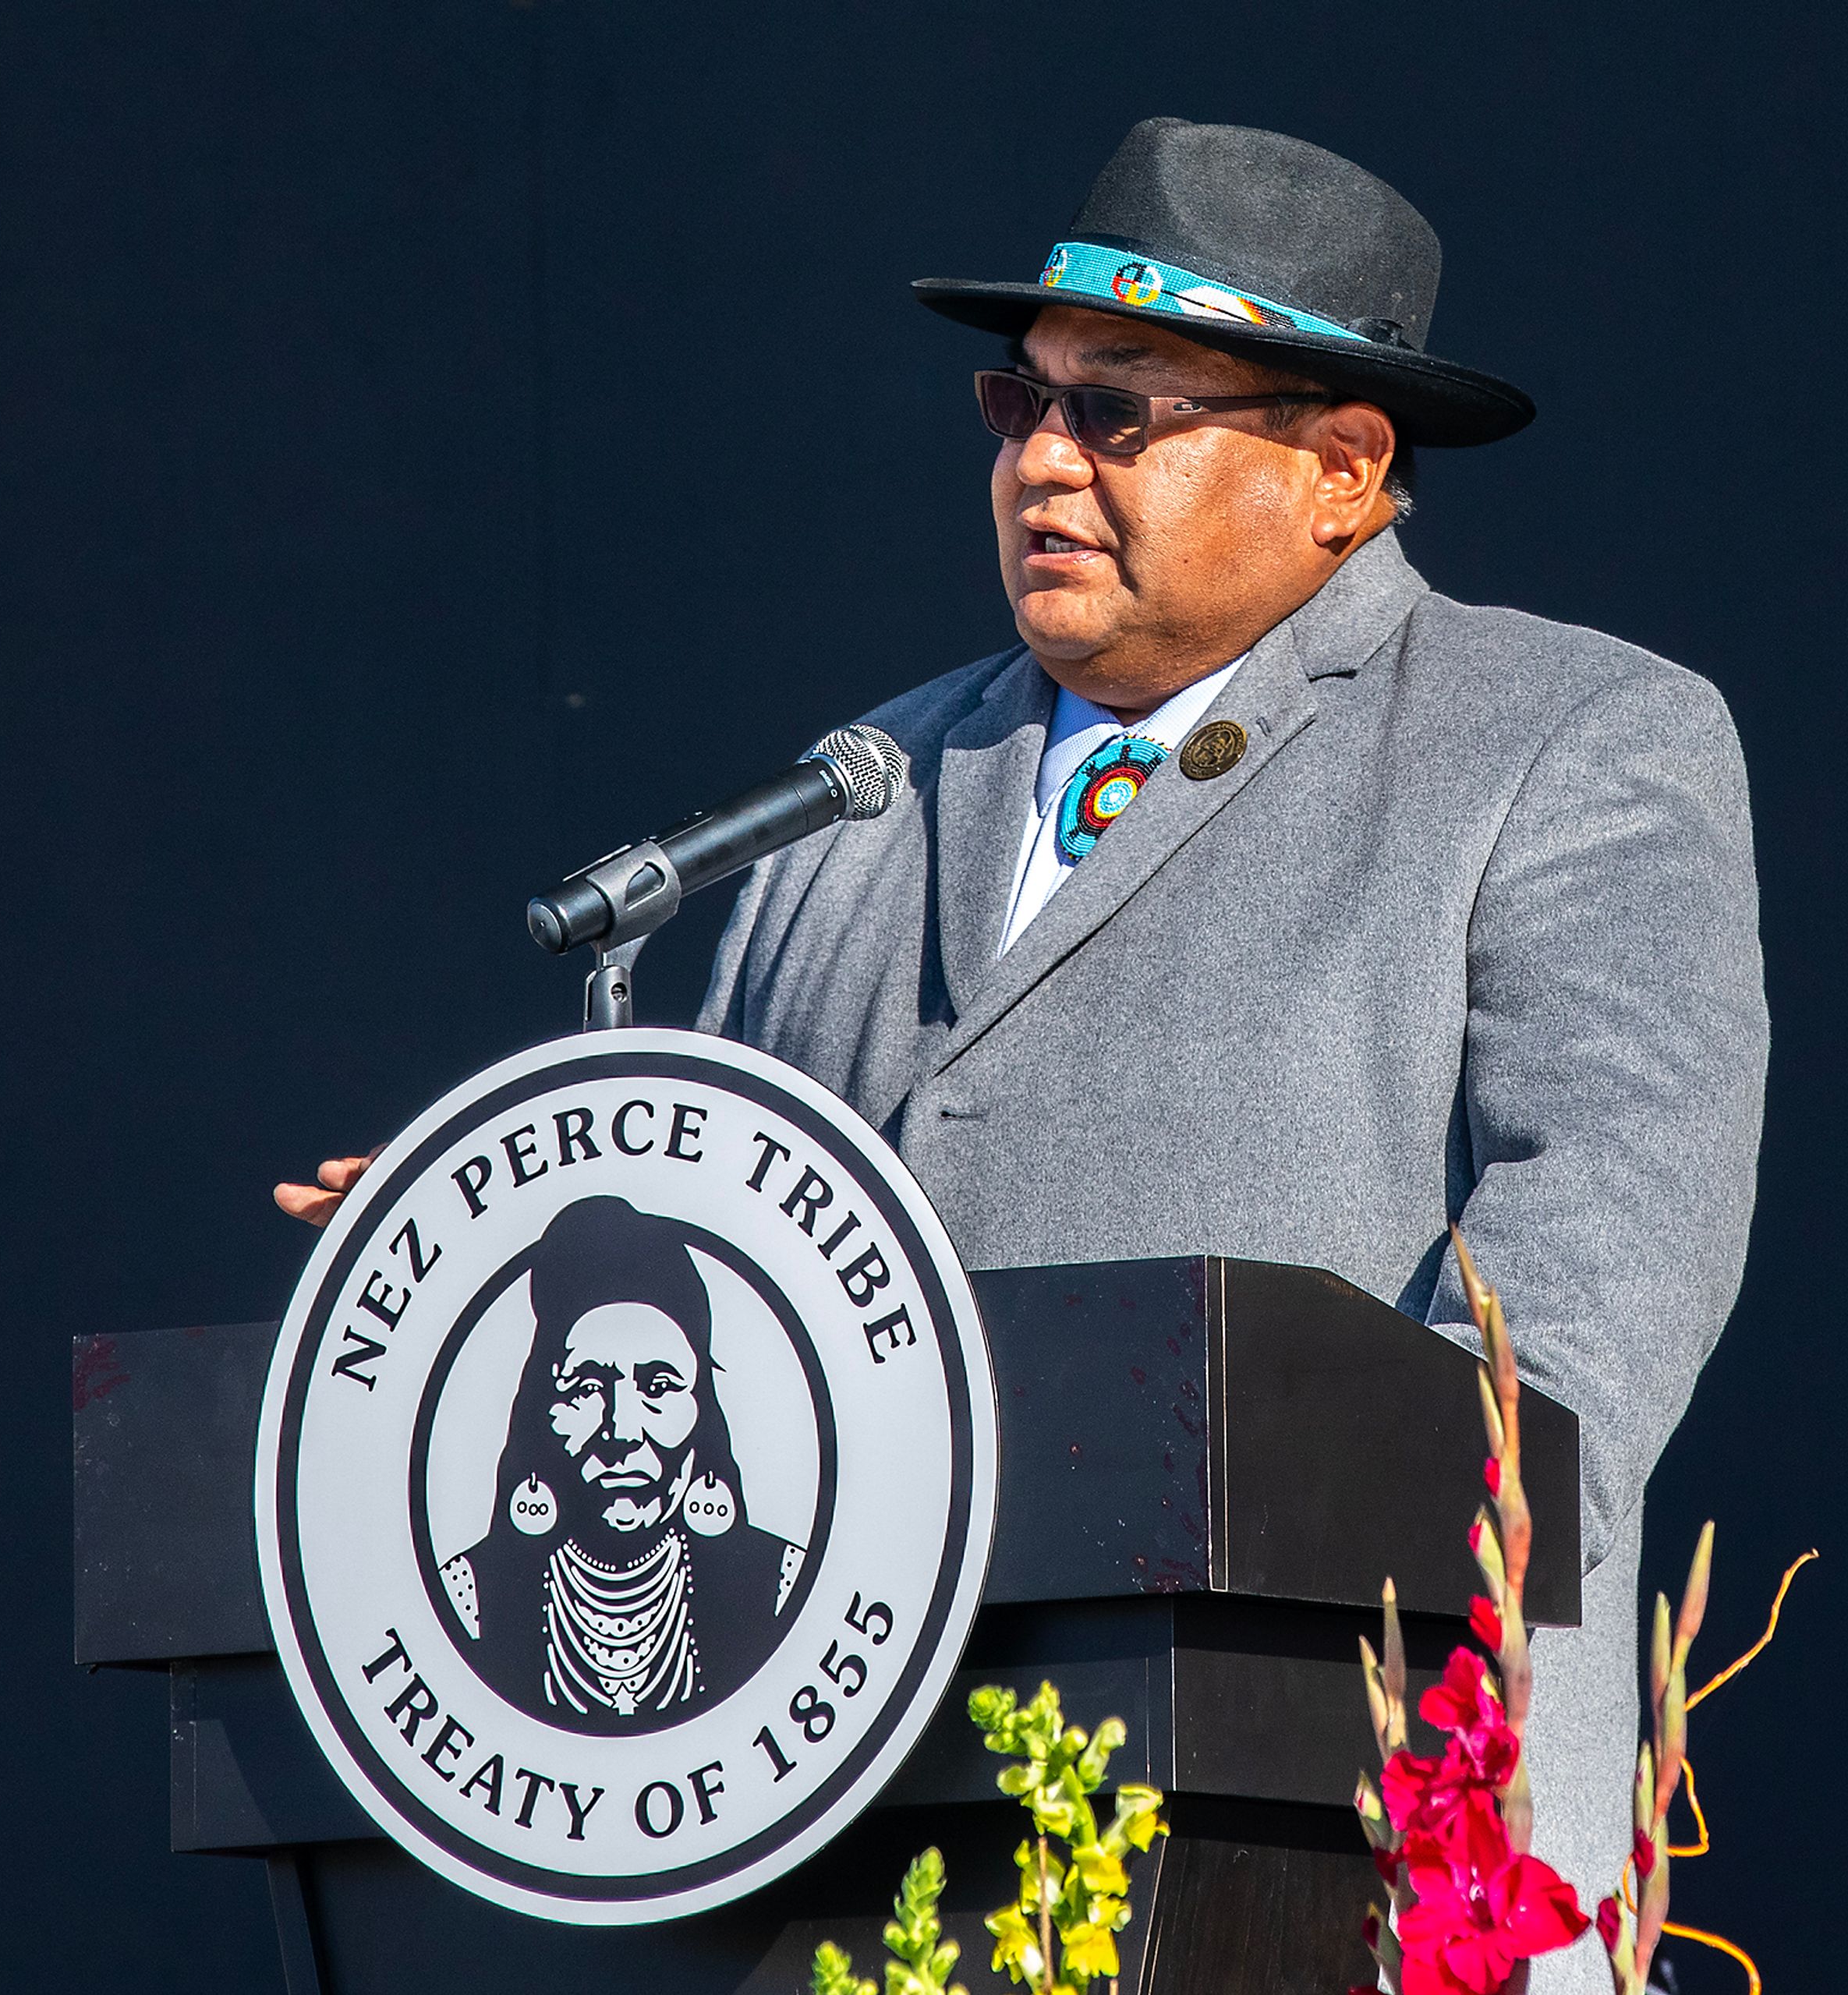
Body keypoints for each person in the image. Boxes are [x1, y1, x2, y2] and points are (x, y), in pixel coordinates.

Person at [289, 119, 1766, 1987]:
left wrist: (1346, 1547)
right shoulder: (856, 788)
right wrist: (506, 1259)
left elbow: (1601, 1262)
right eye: (1019, 404)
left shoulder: (1563, 739)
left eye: (1121, 414)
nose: (1041, 464)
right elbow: (747, 1270)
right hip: (861, 1850)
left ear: (1341, 467)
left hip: (1344, 1836)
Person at [435, 1196, 805, 1730]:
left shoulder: (784, 1587)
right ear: (543, 1408)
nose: (622, 1431)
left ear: (703, 1407)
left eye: (658, 1386)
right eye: (587, 1388)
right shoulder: (465, 1598)